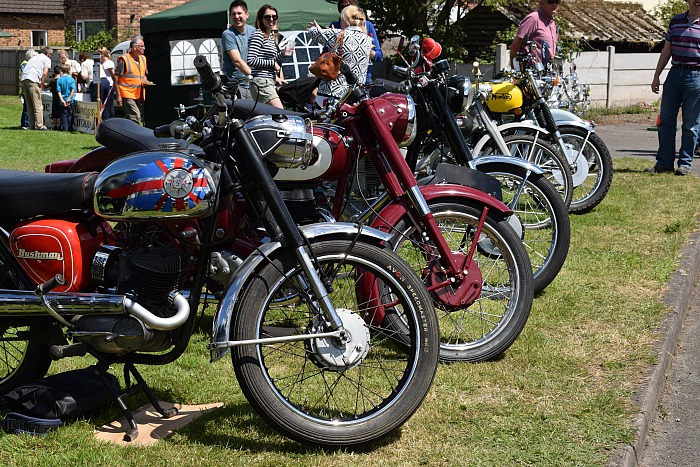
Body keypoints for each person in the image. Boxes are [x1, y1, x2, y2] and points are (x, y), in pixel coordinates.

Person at [647, 0, 700, 176]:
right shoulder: (675, 21)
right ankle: (664, 163)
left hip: (696, 77)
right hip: (674, 74)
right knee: (666, 122)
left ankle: (684, 164)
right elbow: (666, 50)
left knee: (690, 125)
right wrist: (656, 76)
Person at [308, 5, 372, 99]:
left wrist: (322, 30)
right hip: (354, 94)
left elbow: (312, 32)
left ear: (346, 20)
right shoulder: (368, 40)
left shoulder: (337, 34)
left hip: (332, 93)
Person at [247, 5, 295, 107]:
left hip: (268, 82)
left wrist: (282, 54)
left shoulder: (269, 37)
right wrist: (273, 64)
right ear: (261, 19)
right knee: (280, 113)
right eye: (267, 17)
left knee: (271, 118)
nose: (272, 19)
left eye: (274, 17)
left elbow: (271, 61)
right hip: (261, 82)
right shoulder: (258, 34)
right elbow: (251, 60)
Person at [330, 0, 382, 84]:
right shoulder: (335, 26)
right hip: (339, 77)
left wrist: (368, 51)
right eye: (344, 8)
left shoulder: (367, 25)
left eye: (351, 8)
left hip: (364, 77)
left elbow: (379, 55)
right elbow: (326, 53)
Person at [222, 0, 256, 99]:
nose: (237, 17)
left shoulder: (253, 31)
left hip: (253, 85)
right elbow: (237, 61)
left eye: (239, 13)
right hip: (235, 86)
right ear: (230, 17)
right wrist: (255, 75)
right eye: (234, 14)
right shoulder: (228, 34)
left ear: (247, 14)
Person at [509, 0, 559, 68]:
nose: (554, 5)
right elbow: (516, 44)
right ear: (541, 3)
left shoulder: (552, 23)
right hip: (531, 72)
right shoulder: (533, 18)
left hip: (546, 71)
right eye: (550, 1)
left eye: (557, 2)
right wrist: (514, 69)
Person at [115, 36, 150, 125]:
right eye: (142, 46)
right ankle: (137, 136)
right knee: (135, 116)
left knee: (130, 119)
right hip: (127, 93)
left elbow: (143, 75)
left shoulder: (143, 58)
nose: (144, 48)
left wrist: (145, 81)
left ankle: (125, 135)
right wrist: (118, 95)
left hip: (138, 93)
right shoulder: (124, 60)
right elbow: (116, 78)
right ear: (134, 48)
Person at [20, 46, 53, 130]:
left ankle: (31, 125)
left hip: (24, 78)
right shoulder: (47, 59)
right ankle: (39, 125)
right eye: (51, 55)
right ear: (48, 54)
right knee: (37, 104)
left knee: (29, 104)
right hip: (32, 78)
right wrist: (41, 86)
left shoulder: (35, 57)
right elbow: (45, 73)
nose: (51, 56)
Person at [96, 47, 116, 121]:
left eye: (99, 54)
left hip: (109, 85)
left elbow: (113, 75)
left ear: (103, 54)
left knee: (108, 104)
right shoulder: (101, 63)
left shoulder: (109, 63)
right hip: (102, 84)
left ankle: (109, 119)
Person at [18, 49, 37, 130]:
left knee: (27, 105)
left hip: (24, 87)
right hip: (24, 88)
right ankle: (25, 123)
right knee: (27, 105)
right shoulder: (25, 64)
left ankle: (26, 122)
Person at [56, 64, 76, 131]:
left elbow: (58, 91)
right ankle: (70, 128)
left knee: (63, 115)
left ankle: (65, 128)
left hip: (63, 99)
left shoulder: (59, 80)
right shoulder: (71, 80)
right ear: (69, 71)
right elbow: (73, 90)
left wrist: (62, 100)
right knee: (70, 114)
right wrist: (69, 98)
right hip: (70, 100)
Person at [49, 65, 62, 129]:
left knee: (54, 111)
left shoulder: (52, 81)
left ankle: (54, 125)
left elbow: (50, 89)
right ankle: (59, 125)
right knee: (59, 112)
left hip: (54, 97)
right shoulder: (61, 80)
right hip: (60, 97)